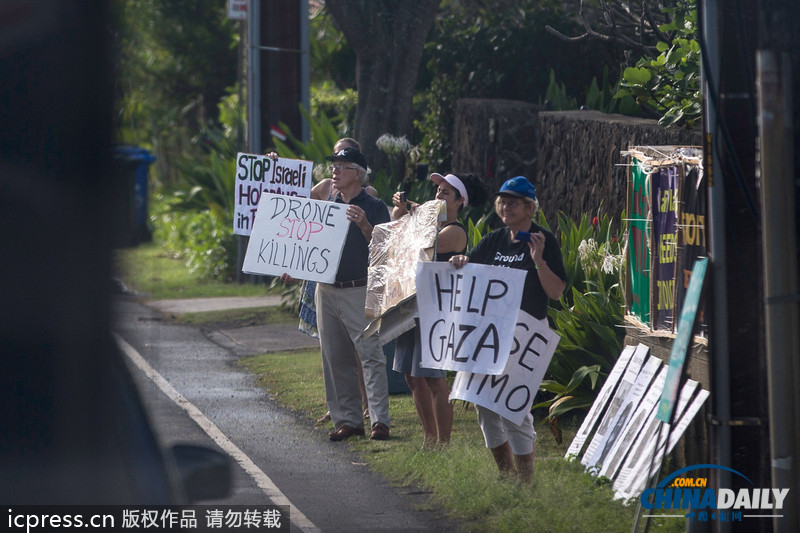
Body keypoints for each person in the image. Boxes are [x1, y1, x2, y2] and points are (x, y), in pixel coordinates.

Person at [449, 176, 566, 483]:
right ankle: (506, 473)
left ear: (530, 207)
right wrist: (461, 260)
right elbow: (471, 273)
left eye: (513, 202)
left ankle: (526, 481)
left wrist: (538, 261)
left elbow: (555, 293)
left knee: (513, 408)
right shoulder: (494, 240)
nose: (505, 206)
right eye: (502, 201)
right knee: (483, 405)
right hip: (488, 336)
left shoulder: (544, 240)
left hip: (524, 336)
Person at [389, 173, 485, 448]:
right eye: (438, 191)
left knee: (433, 377)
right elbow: (396, 233)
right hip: (412, 305)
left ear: (460, 202)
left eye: (446, 193)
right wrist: (402, 209)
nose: (439, 196)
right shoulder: (427, 221)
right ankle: (428, 437)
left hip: (437, 311)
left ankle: (442, 441)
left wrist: (410, 213)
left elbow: (423, 244)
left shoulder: (454, 231)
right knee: (411, 375)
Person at [315, 147, 392, 441]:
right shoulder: (327, 203)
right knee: (335, 357)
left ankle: (379, 420)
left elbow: (386, 250)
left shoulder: (374, 206)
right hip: (326, 288)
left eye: (341, 166)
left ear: (357, 173)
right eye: (333, 165)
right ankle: (347, 420)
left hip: (358, 288)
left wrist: (363, 224)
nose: (334, 171)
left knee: (370, 354)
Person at [297, 137, 375, 424]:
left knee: (359, 349)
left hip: (351, 279)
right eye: (334, 159)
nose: (336, 164)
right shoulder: (326, 187)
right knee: (332, 348)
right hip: (324, 274)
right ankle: (341, 407)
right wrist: (275, 167)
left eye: (343, 160)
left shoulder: (366, 194)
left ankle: (367, 406)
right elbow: (295, 205)